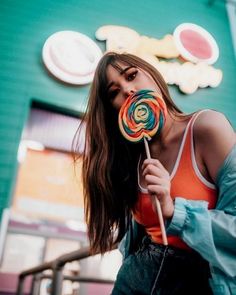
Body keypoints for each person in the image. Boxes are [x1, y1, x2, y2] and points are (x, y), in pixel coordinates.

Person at [74, 52, 236, 295]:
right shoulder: (133, 158)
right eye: (113, 92)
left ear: (154, 74)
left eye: (131, 75)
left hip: (198, 279)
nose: (128, 90)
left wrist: (175, 211)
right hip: (136, 277)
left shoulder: (206, 128)